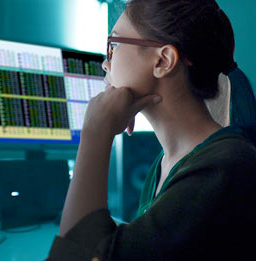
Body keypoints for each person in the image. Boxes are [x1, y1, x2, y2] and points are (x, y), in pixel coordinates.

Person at [47, 0, 256, 260]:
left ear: (163, 60)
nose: (104, 63)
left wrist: (95, 133)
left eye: (113, 46)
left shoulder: (225, 169)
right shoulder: (167, 163)